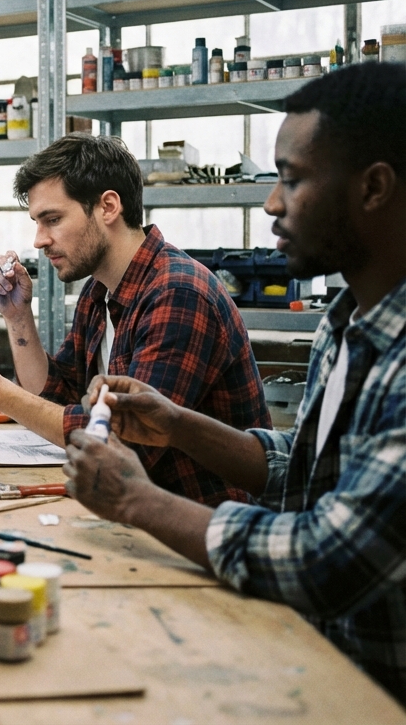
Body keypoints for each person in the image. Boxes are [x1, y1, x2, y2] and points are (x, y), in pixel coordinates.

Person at [63, 63, 406, 701]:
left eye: (293, 179)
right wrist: (174, 421)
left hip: (372, 690)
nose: (272, 203)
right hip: (307, 645)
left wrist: (136, 501)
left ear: (374, 188)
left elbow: (323, 561)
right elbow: (303, 468)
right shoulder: (346, 322)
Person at [0, 133, 270, 506]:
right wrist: (17, 317)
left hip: (206, 523)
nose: (39, 240)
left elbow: (126, 442)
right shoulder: (99, 292)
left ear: (108, 207)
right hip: (139, 510)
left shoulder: (178, 293)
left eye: (53, 219)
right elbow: (55, 396)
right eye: (37, 222)